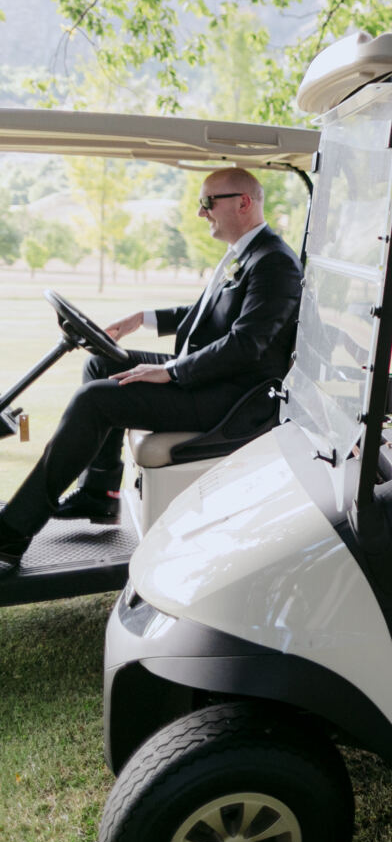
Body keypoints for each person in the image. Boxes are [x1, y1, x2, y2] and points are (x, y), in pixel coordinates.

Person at [0, 168, 302, 575]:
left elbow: (247, 346)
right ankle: (99, 491)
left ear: (243, 202)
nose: (201, 212)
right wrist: (139, 319)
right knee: (101, 362)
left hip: (231, 399)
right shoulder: (247, 253)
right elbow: (205, 315)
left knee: (95, 400)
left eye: (208, 202)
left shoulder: (274, 263)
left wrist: (174, 372)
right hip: (211, 376)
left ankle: (13, 531)